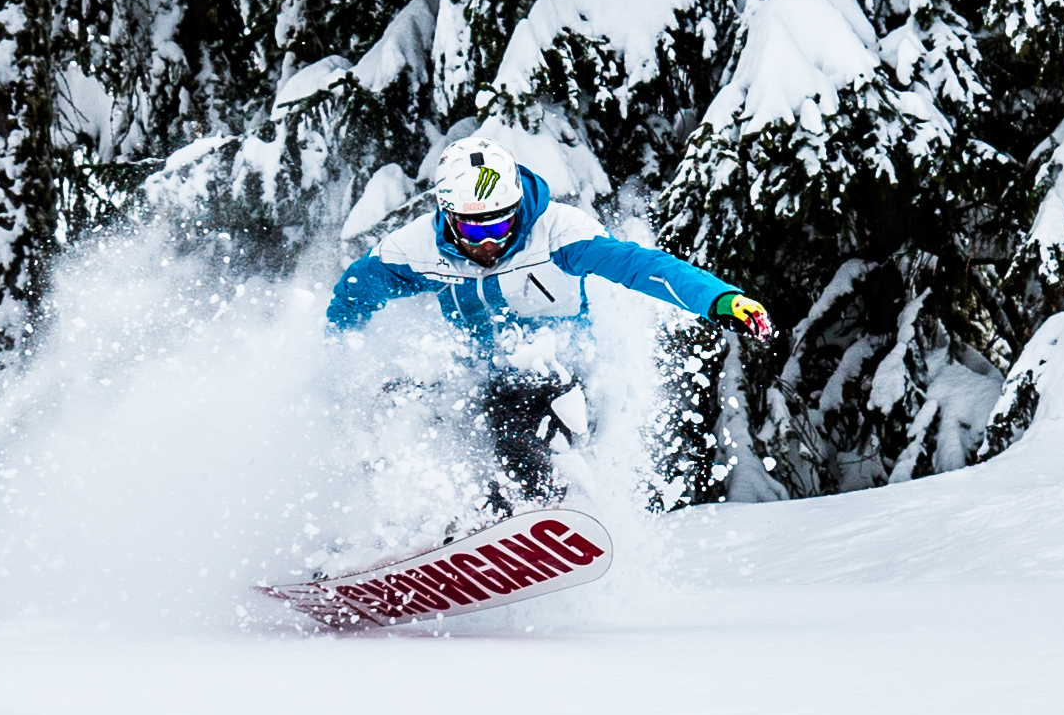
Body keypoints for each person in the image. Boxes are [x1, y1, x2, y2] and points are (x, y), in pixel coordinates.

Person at [326, 136, 772, 506]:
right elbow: (354, 291)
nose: (490, 243)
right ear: (449, 216)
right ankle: (391, 532)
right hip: (477, 378)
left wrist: (720, 300)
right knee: (404, 406)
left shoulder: (558, 232)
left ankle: (530, 511)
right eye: (476, 230)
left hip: (563, 377)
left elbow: (641, 266)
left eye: (501, 226)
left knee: (515, 403)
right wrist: (336, 352)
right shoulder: (418, 249)